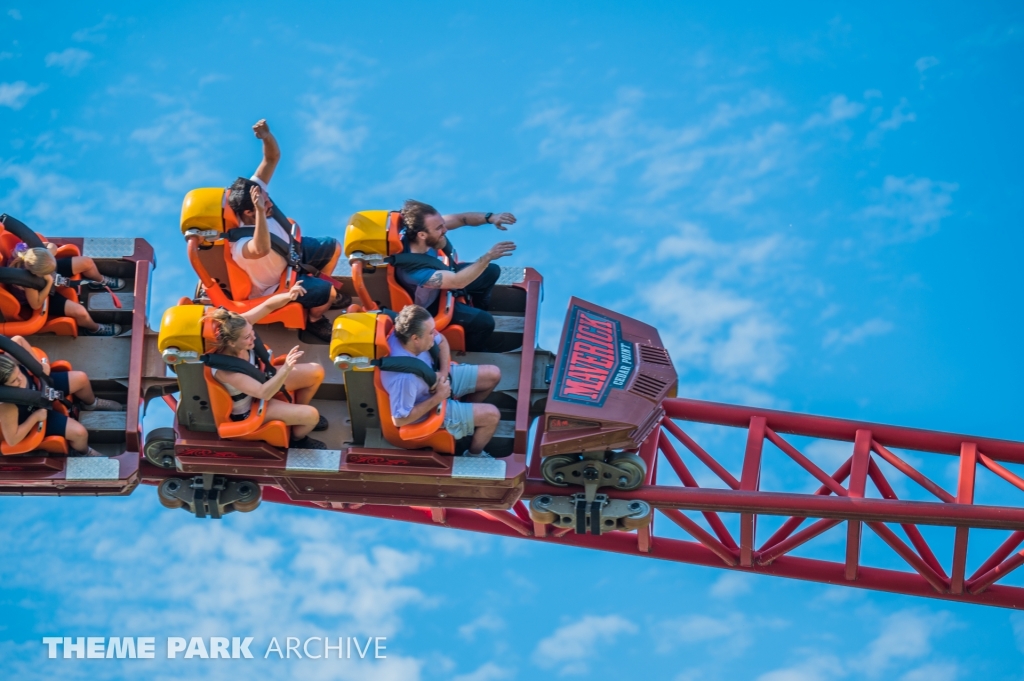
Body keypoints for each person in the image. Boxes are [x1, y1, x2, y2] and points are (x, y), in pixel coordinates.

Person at [222, 119, 342, 342]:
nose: (268, 202)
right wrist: (260, 212)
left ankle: (313, 290)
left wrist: (267, 137)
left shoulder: (255, 193)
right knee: (329, 293)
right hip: (277, 284)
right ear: (249, 212)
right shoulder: (239, 245)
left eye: (265, 198)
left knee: (333, 246)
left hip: (292, 254)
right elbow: (261, 248)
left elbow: (271, 158)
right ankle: (315, 320)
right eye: (263, 202)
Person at [204, 283, 329, 450]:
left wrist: (289, 296)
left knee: (316, 371)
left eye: (252, 332)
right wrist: (285, 370)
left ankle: (296, 411)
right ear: (232, 342)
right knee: (311, 415)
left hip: (263, 379)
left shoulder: (241, 325)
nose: (253, 337)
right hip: (253, 406)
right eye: (248, 337)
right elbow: (264, 392)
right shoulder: (226, 371)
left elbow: (268, 305)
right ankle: (297, 439)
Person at [380, 305, 502, 457]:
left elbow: (442, 341)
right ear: (415, 338)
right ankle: (474, 454)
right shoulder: (404, 379)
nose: (435, 335)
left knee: (493, 374)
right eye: (431, 333)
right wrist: (439, 396)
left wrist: (443, 374)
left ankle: (467, 414)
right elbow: (400, 419)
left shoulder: (410, 334)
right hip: (430, 408)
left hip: (437, 379)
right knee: (492, 416)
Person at [397, 199, 516, 351]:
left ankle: (478, 306)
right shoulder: (413, 272)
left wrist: (491, 217)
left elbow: (461, 219)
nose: (445, 230)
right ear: (422, 235)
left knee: (491, 272)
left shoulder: (428, 230)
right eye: (439, 228)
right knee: (485, 323)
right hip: (431, 306)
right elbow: (457, 282)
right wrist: (487, 257)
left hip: (444, 280)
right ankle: (474, 350)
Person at [0, 335, 123, 457]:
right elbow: (12, 440)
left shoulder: (8, 362)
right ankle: (84, 452)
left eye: (19, 373)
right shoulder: (7, 406)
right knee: (80, 433)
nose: (20, 379)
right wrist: (36, 417)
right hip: (38, 413)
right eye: (14, 381)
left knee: (81, 378)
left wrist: (39, 365)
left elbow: (18, 340)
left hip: (43, 385)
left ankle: (91, 404)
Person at [8, 246, 120, 336]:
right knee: (80, 312)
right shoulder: (28, 283)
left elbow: (52, 246)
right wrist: (48, 282)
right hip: (40, 293)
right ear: (37, 274)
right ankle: (94, 329)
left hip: (47, 270)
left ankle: (100, 281)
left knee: (87, 262)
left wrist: (50, 251)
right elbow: (36, 305)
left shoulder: (30, 250)